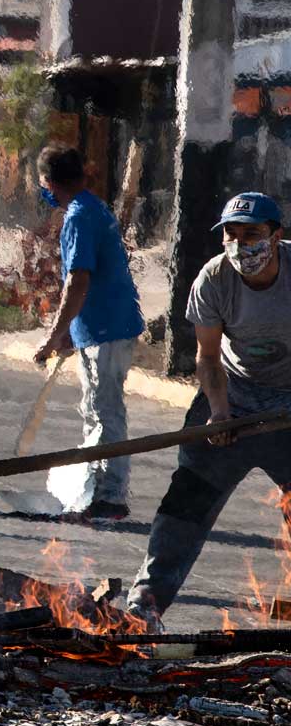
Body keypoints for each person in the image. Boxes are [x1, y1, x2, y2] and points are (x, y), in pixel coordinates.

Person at [127, 193, 291, 631]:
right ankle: (145, 603)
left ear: (276, 235)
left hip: (288, 404)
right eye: (231, 234)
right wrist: (218, 413)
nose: (240, 244)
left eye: (252, 234)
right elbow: (208, 357)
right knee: (187, 500)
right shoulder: (214, 279)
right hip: (233, 396)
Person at [32, 146, 144, 521]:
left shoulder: (80, 216)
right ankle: (102, 493)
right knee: (99, 410)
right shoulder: (94, 208)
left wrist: (53, 336)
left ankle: (108, 498)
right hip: (105, 325)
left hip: (106, 328)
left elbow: (78, 281)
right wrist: (68, 334)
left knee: (103, 412)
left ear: (48, 183)